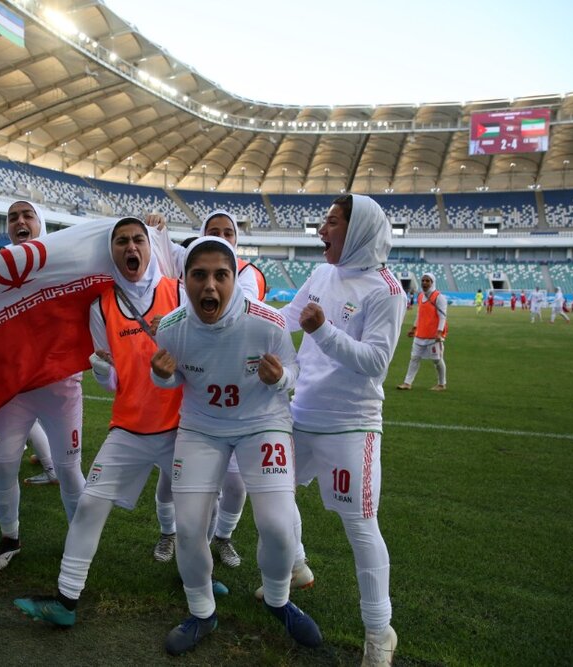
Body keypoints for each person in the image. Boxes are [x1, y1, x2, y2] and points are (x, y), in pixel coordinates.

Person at [150, 237, 321, 656]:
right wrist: (161, 375)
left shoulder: (267, 322)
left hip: (263, 425)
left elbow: (295, 371)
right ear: (185, 280)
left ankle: (279, 599)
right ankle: (201, 610)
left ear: (234, 279)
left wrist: (280, 378)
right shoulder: (172, 327)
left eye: (220, 275)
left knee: (279, 526)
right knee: (189, 528)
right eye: (199, 275)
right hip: (202, 427)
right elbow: (171, 380)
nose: (210, 286)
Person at [13, 217, 183, 628]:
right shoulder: (101, 305)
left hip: (180, 426)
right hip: (129, 426)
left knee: (194, 518)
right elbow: (109, 382)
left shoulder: (177, 293)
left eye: (138, 239)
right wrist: (101, 370)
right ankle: (65, 602)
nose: (131, 247)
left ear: (149, 247)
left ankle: (200, 581)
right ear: (113, 252)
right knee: (89, 506)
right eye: (122, 241)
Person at [278, 194, 405, 666]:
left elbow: (375, 363)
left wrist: (324, 331)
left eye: (330, 222)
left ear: (357, 230)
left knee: (360, 525)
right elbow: (285, 319)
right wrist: (237, 314)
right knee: (273, 492)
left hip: (351, 426)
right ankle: (294, 567)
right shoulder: (322, 274)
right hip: (301, 414)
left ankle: (379, 632)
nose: (320, 230)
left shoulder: (386, 290)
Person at [159, 210, 264, 568]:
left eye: (228, 232)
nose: (222, 236)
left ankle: (224, 537)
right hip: (198, 397)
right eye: (213, 231)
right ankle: (174, 537)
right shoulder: (192, 272)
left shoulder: (248, 274)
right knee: (180, 480)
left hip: (241, 401)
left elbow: (237, 311)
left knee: (235, 484)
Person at [0, 200, 87, 572]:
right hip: (13, 391)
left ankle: (80, 541)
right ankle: (10, 535)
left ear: (40, 225)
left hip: (59, 388)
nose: (19, 221)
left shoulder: (64, 265)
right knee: (3, 464)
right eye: (13, 217)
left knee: (68, 468)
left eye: (27, 215)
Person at [397, 272, 448, 391]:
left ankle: (442, 384)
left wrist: (439, 332)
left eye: (427, 281)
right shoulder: (420, 296)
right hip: (420, 334)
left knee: (436, 359)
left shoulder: (439, 297)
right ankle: (407, 383)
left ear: (432, 282)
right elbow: (420, 314)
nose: (424, 283)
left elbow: (442, 316)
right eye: (423, 280)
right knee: (414, 358)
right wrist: (414, 328)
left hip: (433, 335)